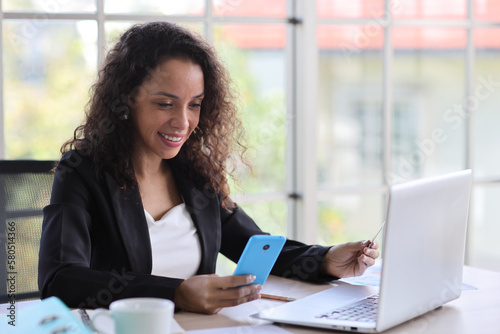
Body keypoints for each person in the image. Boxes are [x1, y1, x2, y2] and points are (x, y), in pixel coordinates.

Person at [38, 21, 379, 314]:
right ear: (128, 98)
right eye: (164, 103)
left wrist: (325, 259)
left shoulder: (193, 172)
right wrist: (175, 293)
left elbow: (255, 248)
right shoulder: (83, 172)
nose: (182, 122)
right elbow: (59, 279)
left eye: (195, 105)